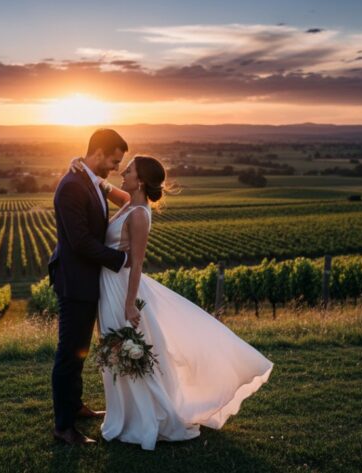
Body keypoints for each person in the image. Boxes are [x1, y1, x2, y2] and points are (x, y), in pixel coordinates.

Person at [68, 154, 274, 450]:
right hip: (110, 285)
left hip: (122, 289)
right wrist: (82, 167)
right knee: (117, 352)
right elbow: (104, 187)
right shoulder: (130, 202)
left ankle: (143, 418)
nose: (122, 174)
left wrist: (129, 305)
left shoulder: (140, 215)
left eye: (128, 171)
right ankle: (125, 414)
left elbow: (136, 264)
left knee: (123, 352)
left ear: (140, 180)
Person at [48, 128, 130, 445]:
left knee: (79, 350)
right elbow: (80, 242)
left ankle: (76, 406)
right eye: (113, 160)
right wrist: (120, 260)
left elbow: (116, 194)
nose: (115, 167)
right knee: (69, 353)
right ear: (98, 153)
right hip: (75, 281)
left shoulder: (88, 177)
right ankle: (63, 427)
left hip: (86, 279)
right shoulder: (71, 186)